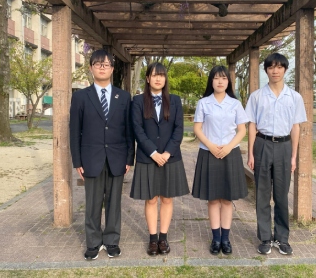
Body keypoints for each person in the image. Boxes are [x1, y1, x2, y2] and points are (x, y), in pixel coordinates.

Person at [69, 49, 135, 260]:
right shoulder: (80, 97)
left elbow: (129, 130)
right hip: (91, 158)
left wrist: (128, 158)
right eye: (98, 64)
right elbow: (74, 131)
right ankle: (93, 243)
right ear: (90, 68)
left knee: (114, 203)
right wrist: (77, 161)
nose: (102, 67)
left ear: (112, 69)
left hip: (117, 157)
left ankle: (112, 241)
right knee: (93, 203)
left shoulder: (123, 96)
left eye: (106, 64)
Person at [245, 53, 307, 255]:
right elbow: (252, 125)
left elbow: (296, 127)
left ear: (285, 70)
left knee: (281, 195)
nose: (275, 71)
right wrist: (251, 153)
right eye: (271, 67)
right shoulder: (256, 96)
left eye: (279, 67)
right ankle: (264, 237)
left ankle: (282, 238)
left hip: (284, 146)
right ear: (266, 71)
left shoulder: (295, 97)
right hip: (262, 144)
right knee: (262, 193)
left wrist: (293, 156)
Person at [130, 62, 189, 256]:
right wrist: (154, 153)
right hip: (148, 158)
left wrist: (167, 153)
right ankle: (152, 239)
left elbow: (179, 129)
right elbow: (137, 130)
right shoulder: (138, 101)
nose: (158, 78)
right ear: (147, 78)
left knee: (167, 198)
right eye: (154, 75)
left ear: (165, 79)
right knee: (150, 199)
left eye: (161, 75)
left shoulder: (175, 100)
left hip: (170, 157)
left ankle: (164, 237)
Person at [192, 65, 249, 256]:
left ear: (228, 82)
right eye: (216, 78)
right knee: (213, 198)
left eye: (224, 78)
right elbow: (198, 128)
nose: (220, 81)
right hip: (208, 153)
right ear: (211, 81)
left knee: (227, 199)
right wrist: (210, 145)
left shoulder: (235, 104)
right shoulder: (203, 103)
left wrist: (227, 147)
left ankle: (226, 238)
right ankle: (215, 239)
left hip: (230, 153)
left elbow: (242, 130)